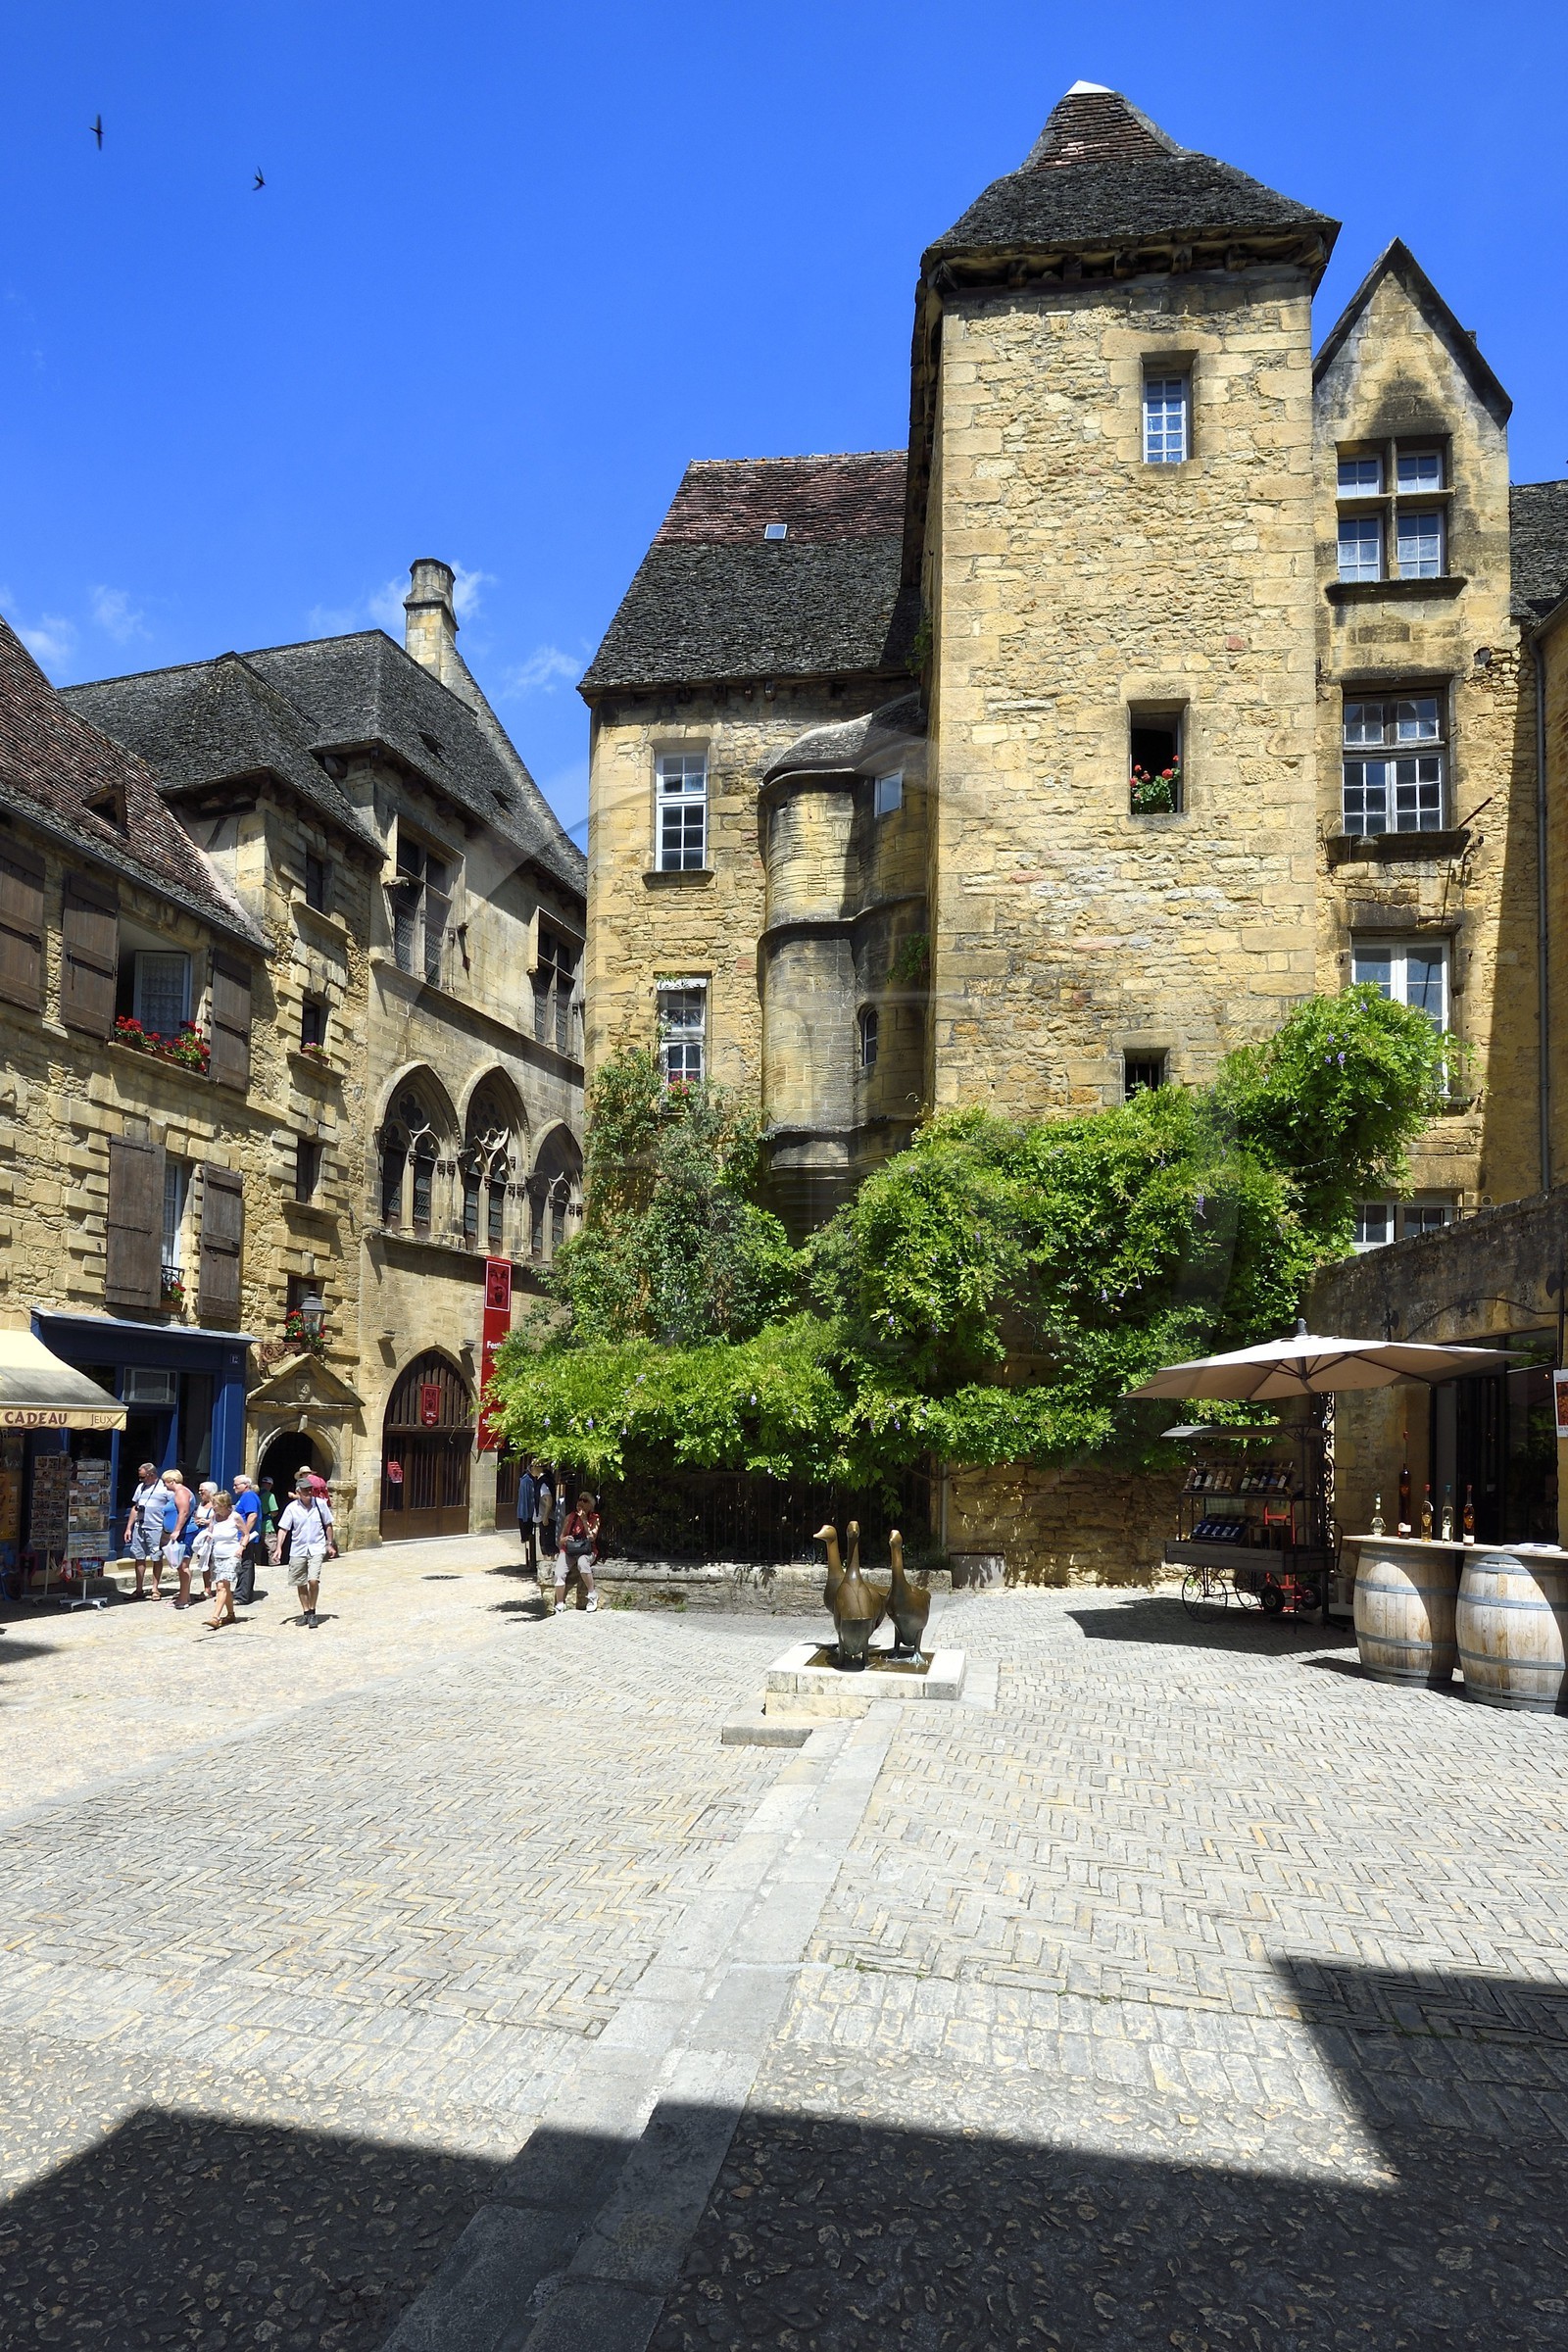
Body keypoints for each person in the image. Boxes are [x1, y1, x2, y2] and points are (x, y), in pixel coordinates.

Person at [277, 1474, 334, 1628]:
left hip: (316, 1547)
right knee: (300, 1582)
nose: (308, 1492)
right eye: (305, 1490)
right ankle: (306, 1612)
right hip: (298, 1548)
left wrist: (330, 1544)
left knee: (313, 1580)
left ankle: (313, 1611)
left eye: (310, 1489)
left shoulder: (320, 1504)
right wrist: (278, 1548)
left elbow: (328, 1524)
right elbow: (283, 1529)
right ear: (298, 1491)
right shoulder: (292, 1508)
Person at [123, 1462, 170, 1599]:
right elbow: (135, 1507)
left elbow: (174, 1507)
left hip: (156, 1527)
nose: (141, 1480)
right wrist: (128, 1528)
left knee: (156, 1558)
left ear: (152, 1475)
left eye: (143, 1477)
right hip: (140, 1526)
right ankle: (139, 1589)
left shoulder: (164, 1488)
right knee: (139, 1557)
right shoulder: (140, 1487)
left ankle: (155, 1589)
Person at [203, 1493, 245, 1628]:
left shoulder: (235, 1517)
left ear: (223, 1504)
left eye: (214, 1503)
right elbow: (209, 1533)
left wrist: (241, 1548)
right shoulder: (214, 1517)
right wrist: (203, 1543)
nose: (212, 1506)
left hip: (232, 1555)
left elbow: (246, 1534)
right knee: (224, 1587)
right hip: (217, 1554)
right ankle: (231, 1614)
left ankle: (215, 1617)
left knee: (221, 1586)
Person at [556, 1492, 601, 1615]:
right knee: (559, 1572)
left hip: (586, 1550)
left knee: (582, 1563)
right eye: (579, 1499)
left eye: (585, 1501)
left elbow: (592, 1538)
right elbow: (561, 1539)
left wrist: (585, 1521)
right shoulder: (570, 1517)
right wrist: (564, 1540)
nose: (580, 1502)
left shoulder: (595, 1518)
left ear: (591, 1505)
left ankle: (592, 1594)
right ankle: (560, 1603)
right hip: (569, 1550)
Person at [173, 1478, 213, 1609]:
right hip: (197, 1534)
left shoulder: (215, 1505)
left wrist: (207, 1522)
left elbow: (220, 1519)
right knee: (202, 1560)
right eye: (199, 1490)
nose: (200, 1493)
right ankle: (206, 1587)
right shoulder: (200, 1504)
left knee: (209, 1561)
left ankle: (209, 1589)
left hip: (209, 1534)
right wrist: (197, 1520)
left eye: (203, 1491)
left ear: (211, 1492)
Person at [231, 1474, 261, 1605]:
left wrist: (245, 1535)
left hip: (246, 1538)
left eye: (236, 1485)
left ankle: (243, 1596)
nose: (234, 1487)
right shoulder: (246, 1497)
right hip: (245, 1537)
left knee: (245, 1565)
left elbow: (252, 1516)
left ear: (246, 1485)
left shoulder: (248, 1497)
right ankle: (241, 1592)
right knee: (244, 1565)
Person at [515, 1458, 539, 1573]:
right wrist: (527, 1516)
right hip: (526, 1514)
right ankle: (529, 1562)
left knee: (531, 1537)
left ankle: (531, 1561)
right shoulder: (526, 1481)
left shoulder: (531, 1479)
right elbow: (526, 1500)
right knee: (527, 1537)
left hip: (529, 1513)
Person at [534, 1463, 557, 1571]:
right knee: (544, 1540)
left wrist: (545, 1516)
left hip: (546, 1517)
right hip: (544, 1516)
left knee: (547, 1542)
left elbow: (548, 1499)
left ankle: (548, 1568)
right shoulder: (542, 1480)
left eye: (533, 1466)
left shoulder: (543, 1483)